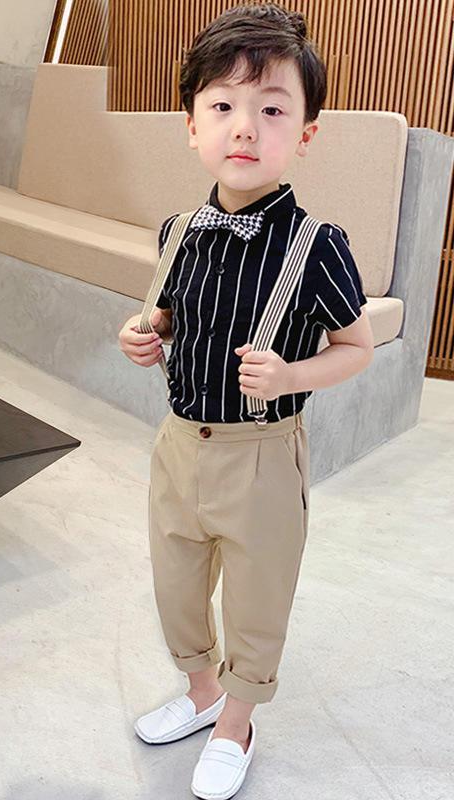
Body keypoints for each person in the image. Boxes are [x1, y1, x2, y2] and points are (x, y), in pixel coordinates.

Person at [118, 5, 374, 798]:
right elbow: (172, 315)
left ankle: (237, 722)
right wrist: (146, 331)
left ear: (305, 132)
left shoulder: (318, 245)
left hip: (262, 456)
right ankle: (201, 695)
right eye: (223, 105)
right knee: (176, 585)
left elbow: (357, 347)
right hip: (178, 445)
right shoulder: (178, 231)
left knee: (257, 602)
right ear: (191, 124)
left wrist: (292, 376)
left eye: (272, 110)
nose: (244, 128)